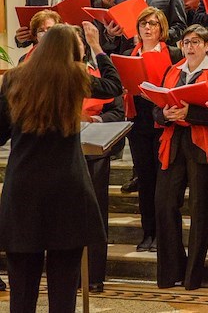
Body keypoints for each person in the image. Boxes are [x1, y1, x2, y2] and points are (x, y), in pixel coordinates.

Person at [0, 23, 123, 312]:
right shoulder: (75, 76)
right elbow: (113, 86)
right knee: (63, 288)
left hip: (23, 189)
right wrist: (98, 48)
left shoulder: (14, 78)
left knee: (22, 289)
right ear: (72, 50)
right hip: (66, 190)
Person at [152, 24, 208, 290]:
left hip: (202, 145)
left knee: (200, 209)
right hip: (173, 143)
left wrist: (191, 114)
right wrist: (164, 115)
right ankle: (173, 269)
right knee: (164, 204)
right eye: (186, 42)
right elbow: (156, 107)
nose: (189, 47)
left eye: (196, 42)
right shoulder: (173, 71)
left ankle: (192, 276)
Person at [123, 7, 182, 252]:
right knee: (145, 179)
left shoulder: (174, 54)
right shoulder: (129, 53)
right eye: (143, 23)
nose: (148, 28)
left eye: (153, 24)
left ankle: (162, 234)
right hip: (138, 123)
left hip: (164, 122)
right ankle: (148, 232)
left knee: (162, 182)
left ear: (162, 29)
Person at [76, 25, 125, 293]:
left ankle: (94, 275)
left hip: (95, 148)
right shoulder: (71, 75)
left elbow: (116, 106)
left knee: (95, 215)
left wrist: (93, 118)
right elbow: (113, 83)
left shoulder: (90, 75)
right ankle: (72, 274)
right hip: (69, 151)